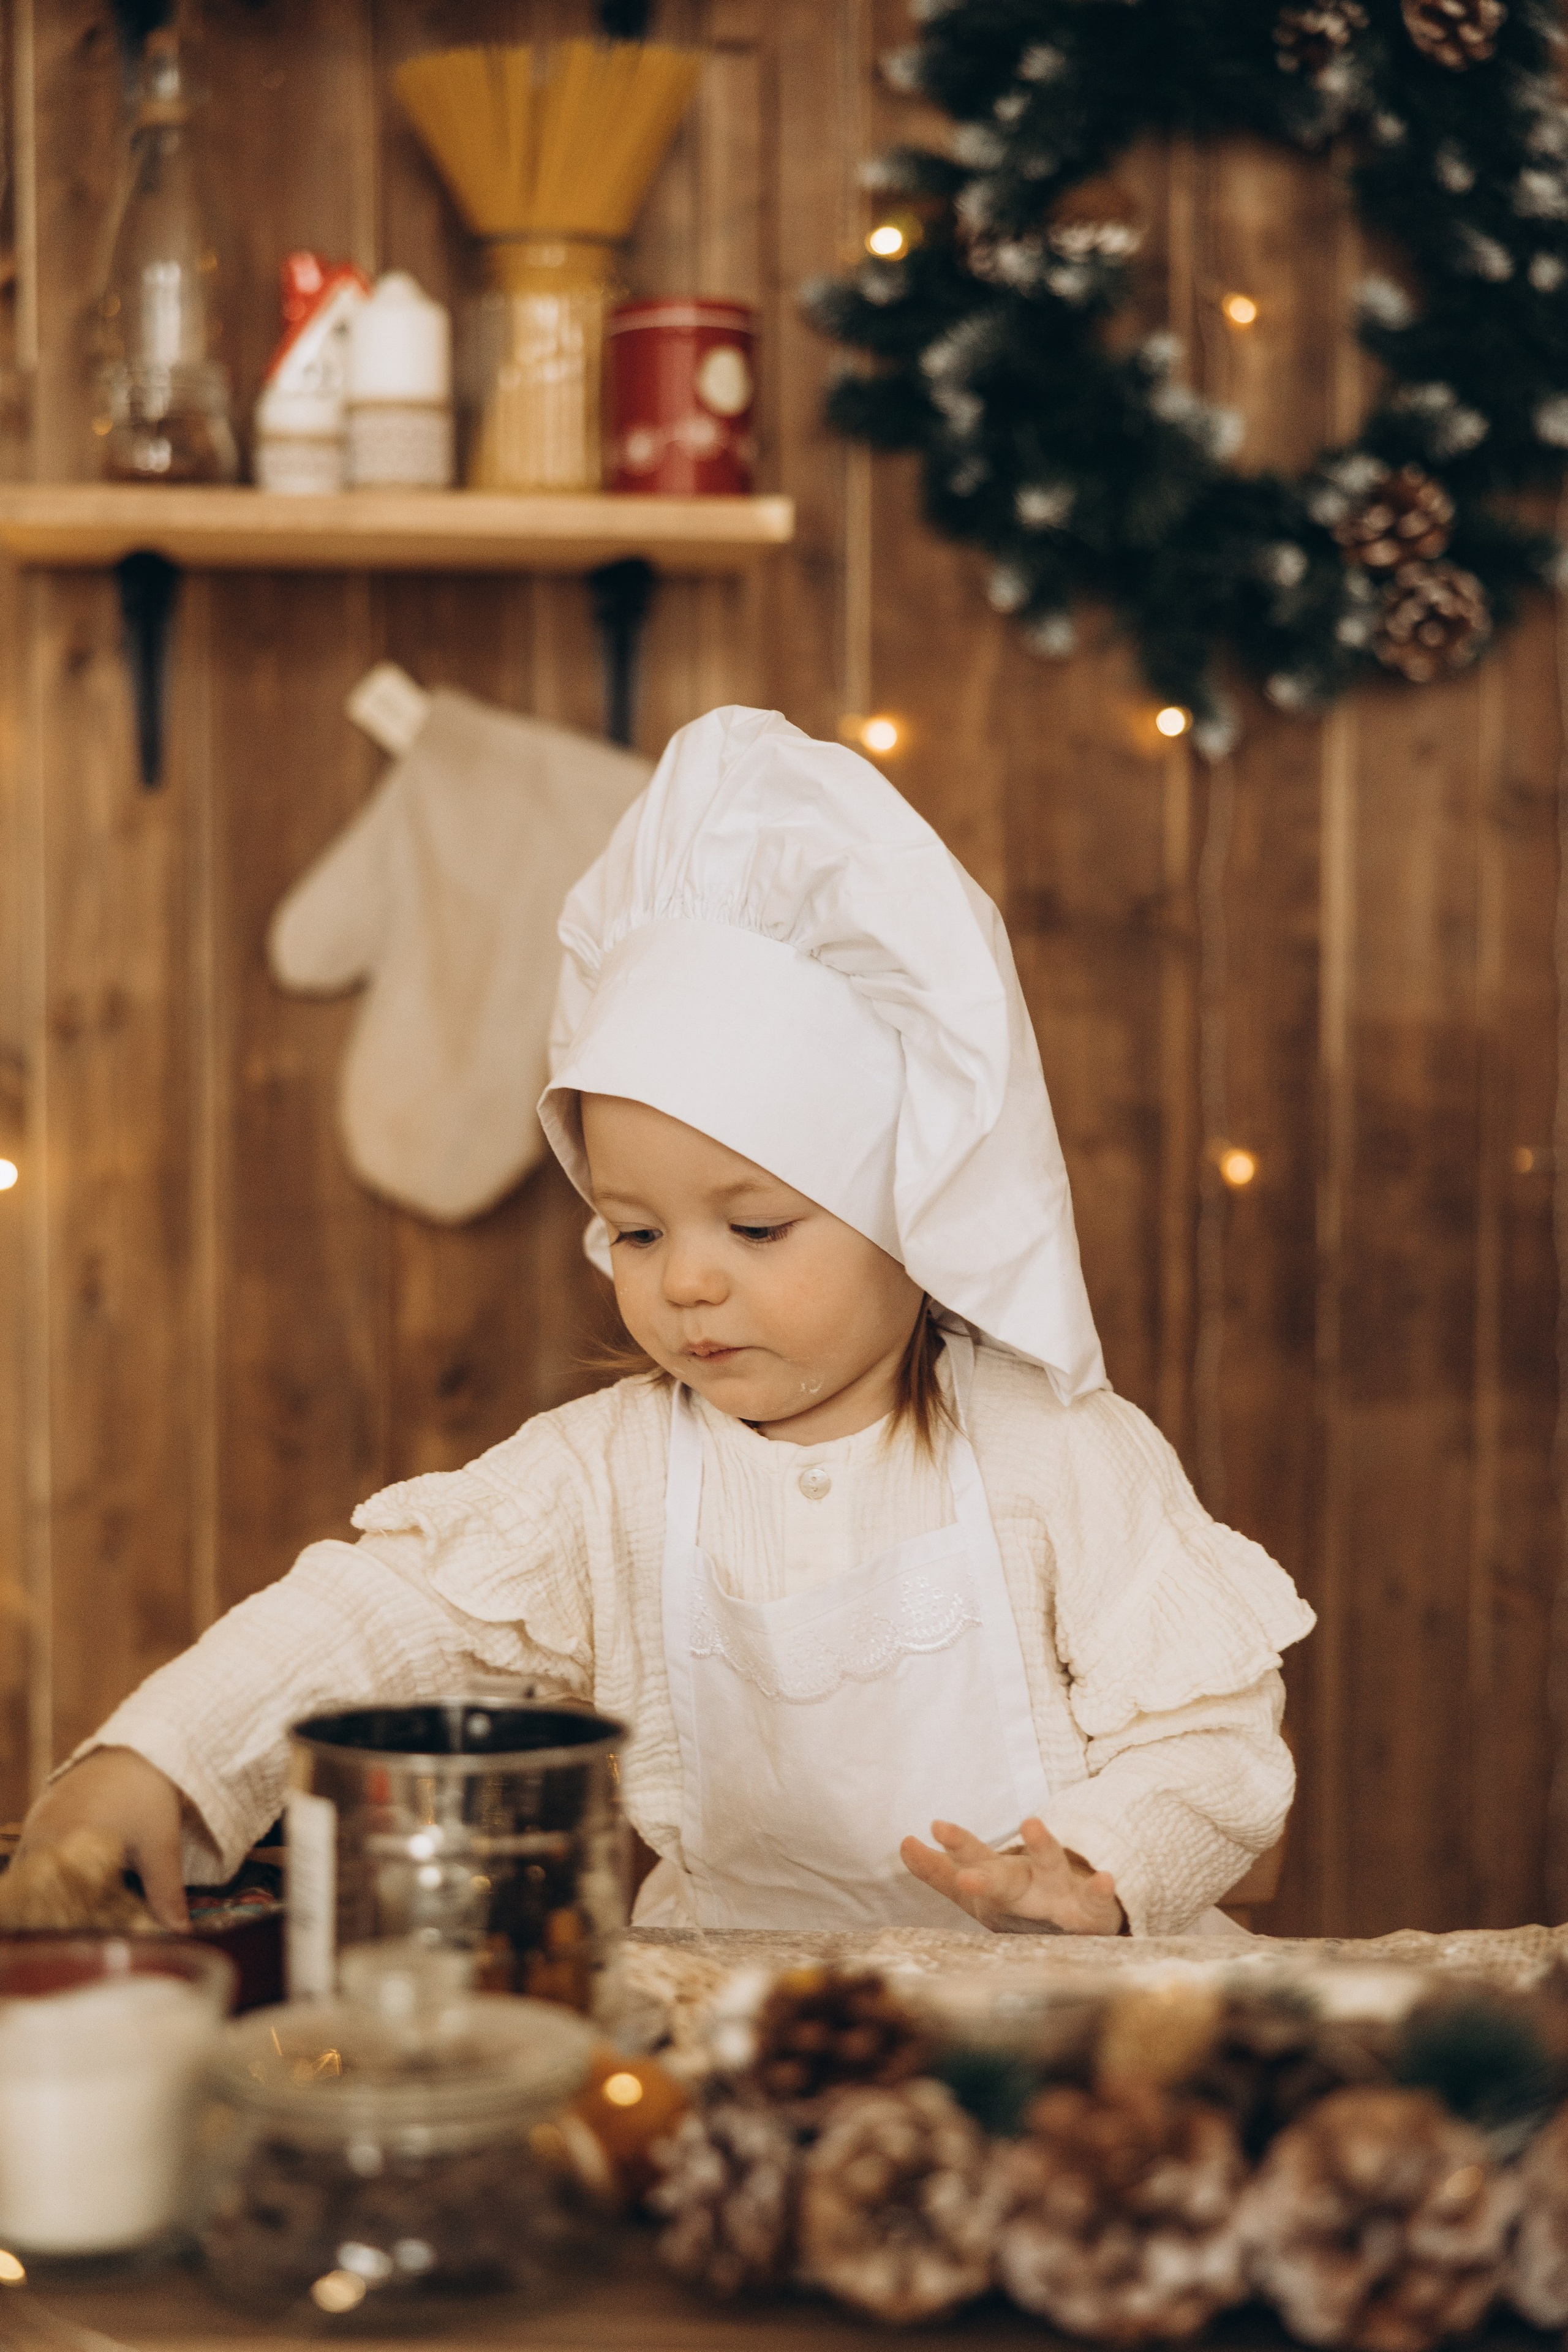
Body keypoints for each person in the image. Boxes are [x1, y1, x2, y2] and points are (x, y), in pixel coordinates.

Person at [18, 706, 1313, 1940]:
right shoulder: (606, 1479)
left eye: (753, 1230)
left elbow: (1209, 1738)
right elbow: (374, 1615)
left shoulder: (1059, 1457)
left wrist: (1099, 1866)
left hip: (1066, 2037)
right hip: (732, 2017)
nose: (684, 1281)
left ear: (910, 1215)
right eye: (635, 1232)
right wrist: (162, 1758)